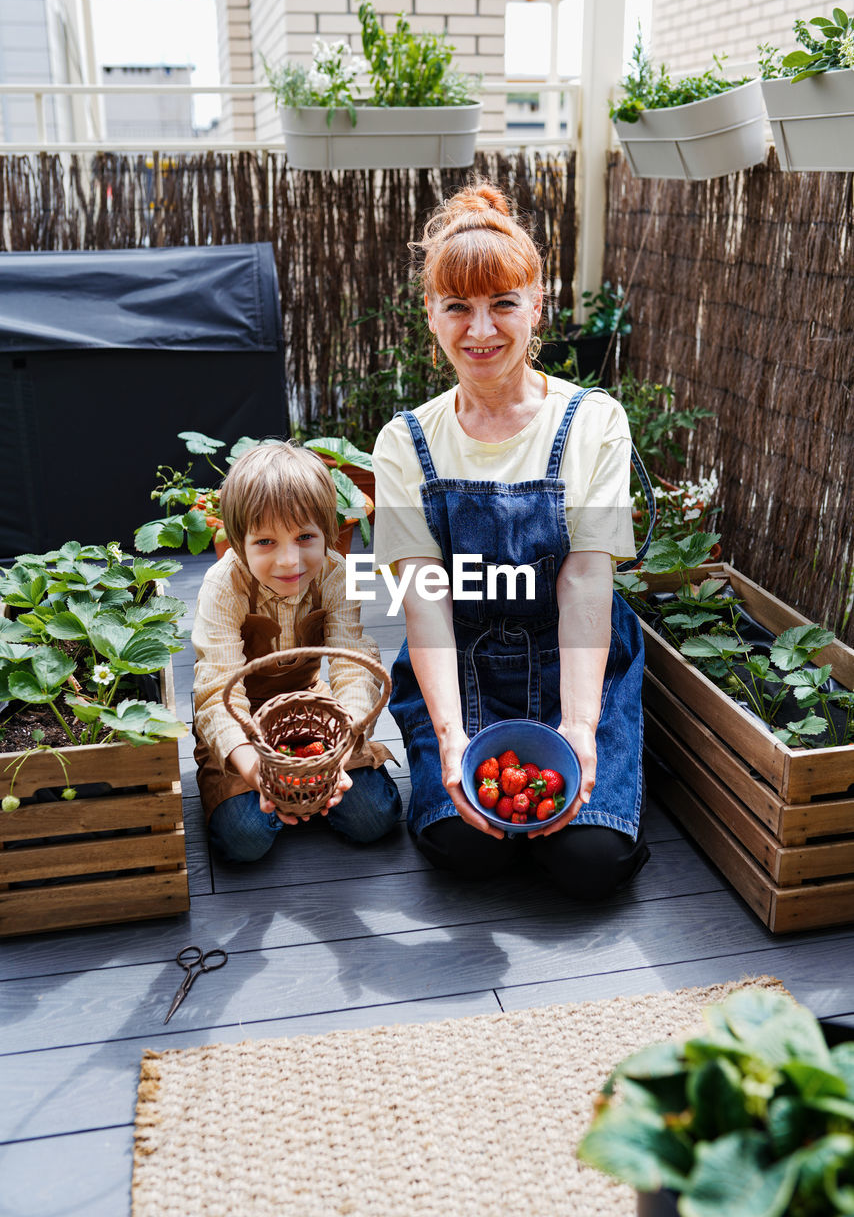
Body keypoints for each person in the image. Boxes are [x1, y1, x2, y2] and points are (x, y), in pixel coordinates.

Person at [372, 182, 653, 900]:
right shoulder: (404, 442)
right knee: (467, 849)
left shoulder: (594, 421)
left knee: (590, 862)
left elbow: (587, 581)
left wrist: (580, 728)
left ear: (536, 306)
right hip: (459, 659)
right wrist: (452, 736)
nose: (481, 330)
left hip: (574, 657)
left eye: (502, 303)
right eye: (458, 306)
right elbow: (424, 600)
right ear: (430, 314)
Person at [192, 441, 400, 862]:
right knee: (243, 837)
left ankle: (305, 797)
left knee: (377, 816)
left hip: (309, 712)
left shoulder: (338, 574)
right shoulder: (223, 586)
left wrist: (339, 752)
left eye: (305, 537)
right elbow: (217, 693)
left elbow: (351, 663)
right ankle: (289, 802)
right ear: (237, 541)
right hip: (242, 718)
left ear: (328, 529)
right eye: (266, 541)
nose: (290, 560)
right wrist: (256, 771)